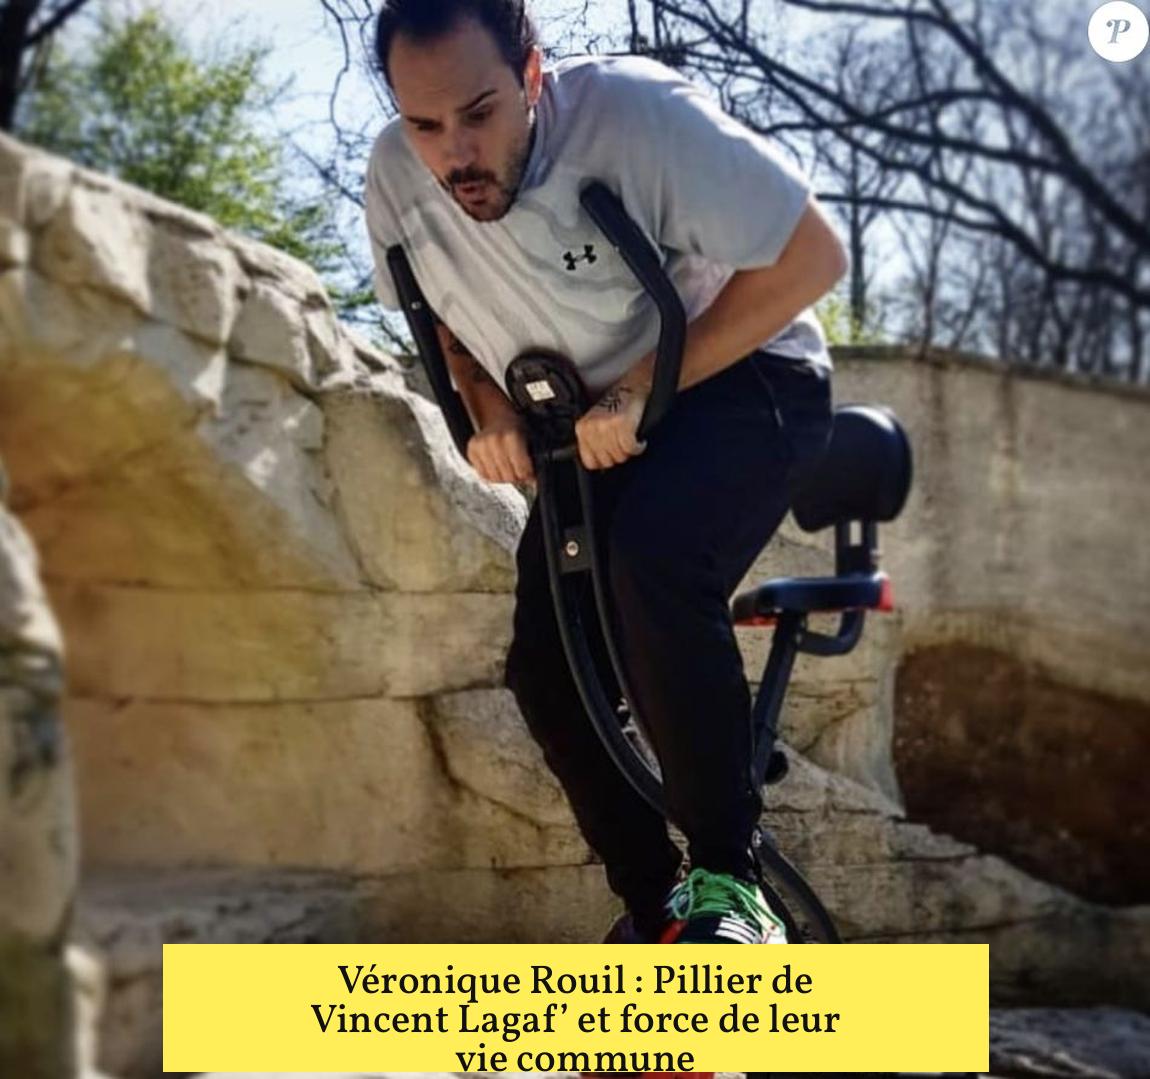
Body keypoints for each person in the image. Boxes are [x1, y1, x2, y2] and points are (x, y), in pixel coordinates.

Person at [364, 0, 846, 945]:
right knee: (545, 666)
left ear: (532, 75)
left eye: (479, 112)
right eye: (423, 123)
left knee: (653, 560)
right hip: (594, 422)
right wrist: (488, 406)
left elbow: (812, 256)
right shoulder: (396, 175)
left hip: (749, 373)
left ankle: (729, 883)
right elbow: (442, 312)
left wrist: (637, 388)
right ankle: (659, 908)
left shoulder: (635, 117)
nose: (455, 152)